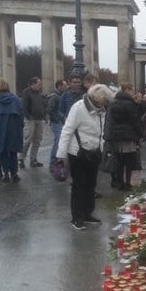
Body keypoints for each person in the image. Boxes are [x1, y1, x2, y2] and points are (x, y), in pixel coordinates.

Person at [57, 83, 110, 231]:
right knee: (79, 185)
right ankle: (77, 217)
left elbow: (101, 131)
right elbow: (67, 129)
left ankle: (87, 213)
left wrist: (101, 148)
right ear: (96, 99)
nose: (104, 103)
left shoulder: (101, 110)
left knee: (91, 185)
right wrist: (61, 154)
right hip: (78, 152)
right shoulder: (79, 107)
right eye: (103, 100)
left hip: (93, 152)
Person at [104, 82, 144, 192]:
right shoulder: (129, 104)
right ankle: (128, 183)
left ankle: (119, 182)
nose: (133, 92)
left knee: (120, 161)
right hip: (128, 136)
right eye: (132, 90)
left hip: (116, 136)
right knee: (129, 162)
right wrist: (141, 134)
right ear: (127, 90)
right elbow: (134, 121)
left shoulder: (113, 103)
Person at [0, 78, 24, 183]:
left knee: (3, 152)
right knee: (13, 152)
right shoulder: (16, 99)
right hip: (14, 130)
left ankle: (6, 174)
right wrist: (20, 126)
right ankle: (14, 173)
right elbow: (21, 114)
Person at [19, 76, 47, 168]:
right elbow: (24, 106)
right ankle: (21, 159)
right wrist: (28, 116)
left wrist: (44, 116)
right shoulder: (26, 92)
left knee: (37, 141)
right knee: (27, 140)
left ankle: (33, 160)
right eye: (39, 84)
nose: (40, 86)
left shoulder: (39, 93)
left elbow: (42, 104)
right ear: (33, 84)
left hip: (40, 119)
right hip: (31, 120)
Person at [46, 78, 68, 166]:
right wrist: (58, 119)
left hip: (61, 121)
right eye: (64, 86)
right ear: (59, 86)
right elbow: (50, 110)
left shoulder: (63, 95)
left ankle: (57, 160)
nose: (66, 87)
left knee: (60, 140)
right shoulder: (54, 96)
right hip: (56, 122)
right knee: (58, 141)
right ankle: (53, 161)